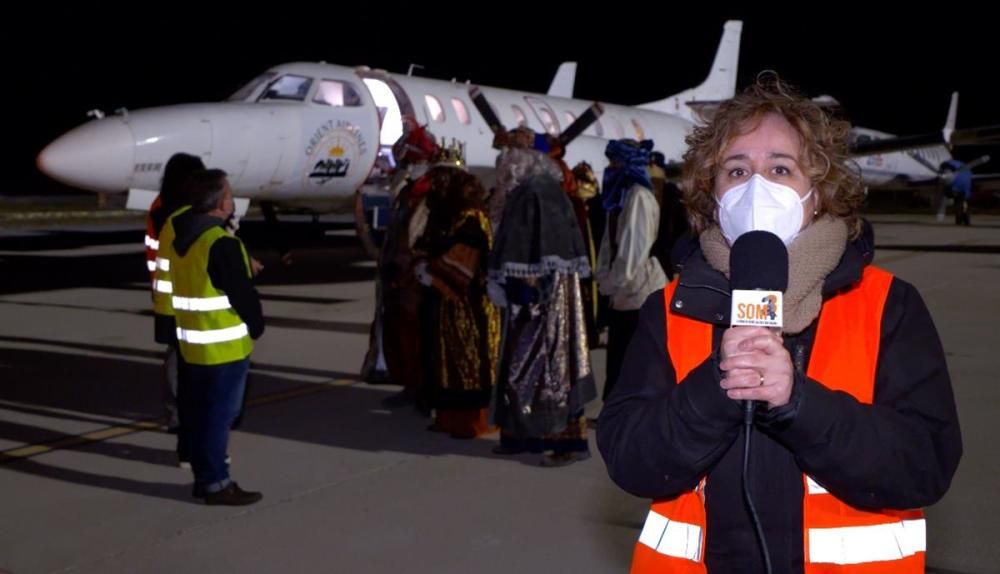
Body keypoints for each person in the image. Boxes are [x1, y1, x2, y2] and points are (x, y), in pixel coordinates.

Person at [597, 73, 962, 573]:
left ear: (821, 192)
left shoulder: (887, 304)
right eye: (737, 171)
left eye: (782, 169)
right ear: (711, 192)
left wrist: (800, 405)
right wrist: (714, 388)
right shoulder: (669, 308)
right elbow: (629, 459)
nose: (758, 189)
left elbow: (926, 463)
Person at [488, 146, 596, 466]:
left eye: (504, 169)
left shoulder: (532, 194)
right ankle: (523, 435)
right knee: (529, 369)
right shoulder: (544, 191)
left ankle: (564, 443)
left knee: (548, 371)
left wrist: (521, 289)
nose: (501, 176)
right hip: (549, 295)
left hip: (542, 302)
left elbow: (536, 250)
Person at [171, 169, 265, 505]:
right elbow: (241, 295)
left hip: (194, 345)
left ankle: (203, 477)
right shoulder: (221, 243)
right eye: (228, 194)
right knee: (219, 417)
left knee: (199, 414)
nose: (232, 200)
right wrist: (257, 325)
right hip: (223, 348)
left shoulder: (183, 237)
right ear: (218, 202)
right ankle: (216, 483)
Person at [415, 165, 500, 439]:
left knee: (471, 363)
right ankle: (448, 418)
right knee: (448, 363)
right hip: (450, 306)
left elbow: (465, 261)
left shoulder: (472, 219)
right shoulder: (453, 216)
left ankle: (473, 422)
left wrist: (432, 272)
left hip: (470, 306)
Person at [594, 139, 666, 402]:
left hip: (638, 293)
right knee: (619, 357)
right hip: (622, 292)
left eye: (615, 162)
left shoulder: (638, 198)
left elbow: (633, 250)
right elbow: (608, 243)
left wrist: (613, 281)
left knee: (632, 360)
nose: (610, 167)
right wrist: (603, 276)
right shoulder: (621, 198)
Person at [147, 152, 205, 433]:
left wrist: (157, 287)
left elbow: (151, 251)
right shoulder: (192, 214)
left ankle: (174, 414)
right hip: (193, 294)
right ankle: (191, 413)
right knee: (194, 358)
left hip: (165, 293)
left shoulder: (158, 208)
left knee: (175, 355)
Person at [941, 159, 973, 226]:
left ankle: (963, 221)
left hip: (962, 194)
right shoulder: (950, 177)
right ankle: (961, 221)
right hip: (960, 193)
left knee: (961, 207)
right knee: (960, 207)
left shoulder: (962, 178)